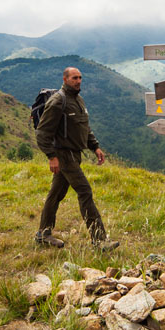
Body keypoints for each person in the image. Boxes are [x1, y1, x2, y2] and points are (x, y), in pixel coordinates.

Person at [35, 66, 119, 252]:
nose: (78, 81)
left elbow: (84, 127)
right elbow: (42, 132)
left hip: (75, 154)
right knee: (85, 191)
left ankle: (43, 234)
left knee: (56, 194)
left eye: (80, 77)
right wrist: (52, 156)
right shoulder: (58, 101)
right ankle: (99, 240)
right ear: (65, 79)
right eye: (74, 78)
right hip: (64, 155)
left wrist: (95, 146)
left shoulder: (77, 100)